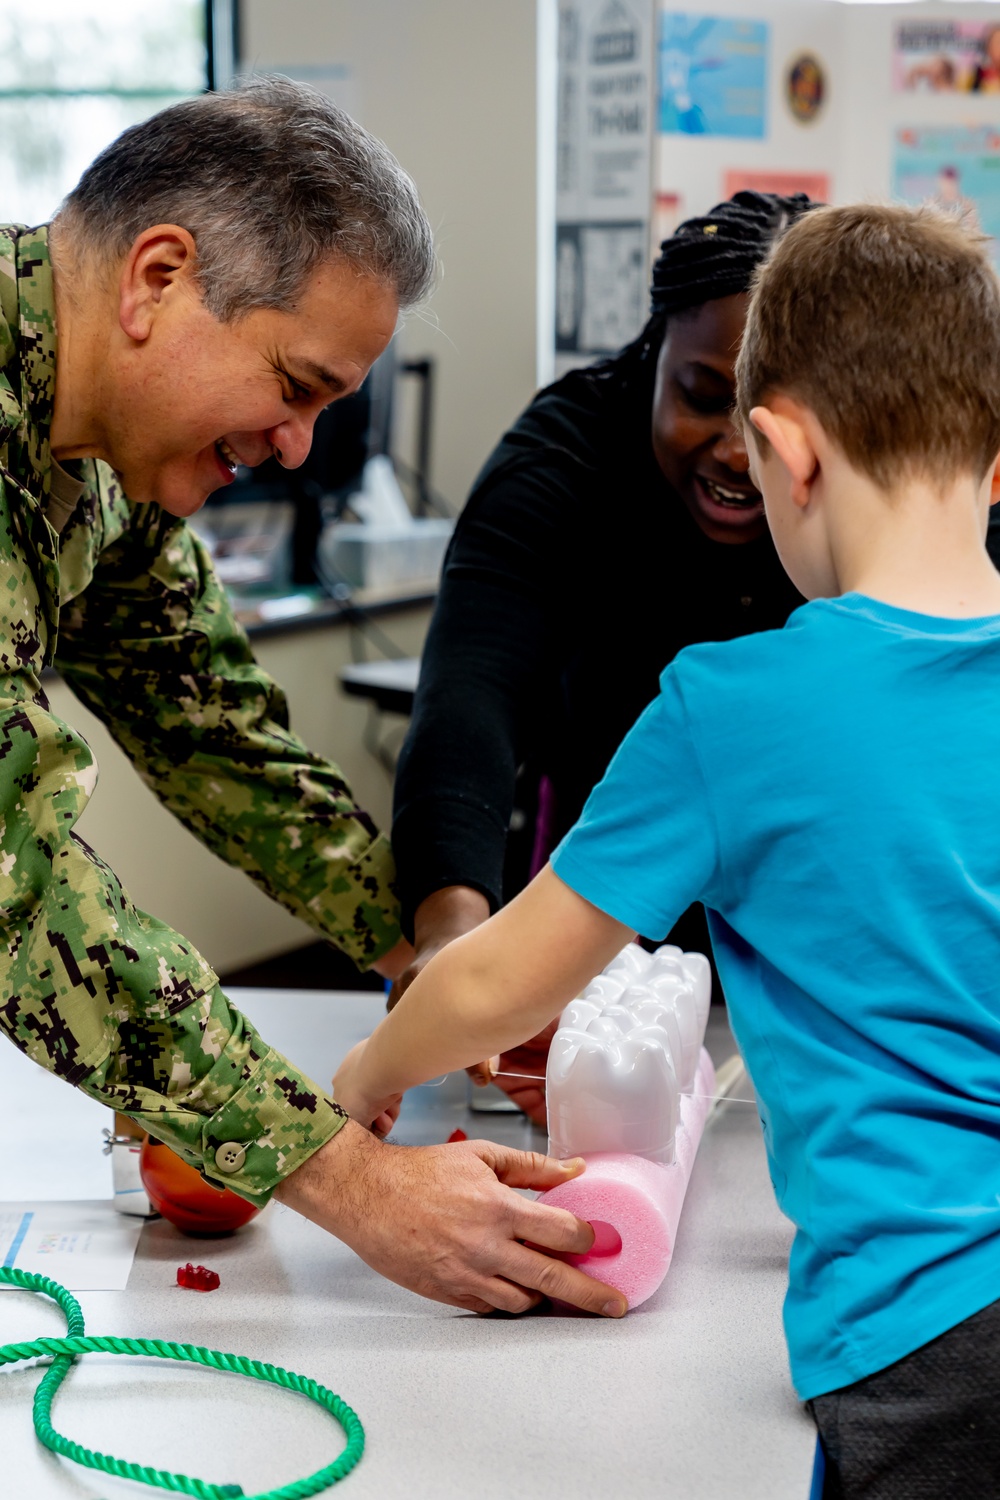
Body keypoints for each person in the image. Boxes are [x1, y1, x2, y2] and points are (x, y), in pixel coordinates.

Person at [334, 202, 1000, 1493]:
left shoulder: (728, 708)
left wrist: (364, 1076)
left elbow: (492, 981)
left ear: (780, 452)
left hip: (932, 1326)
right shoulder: (564, 464)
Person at [0, 77, 623, 1321]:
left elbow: (211, 727)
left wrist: (441, 961)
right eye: (295, 385)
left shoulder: (96, 456)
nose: (298, 446)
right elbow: (16, 883)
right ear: (157, 278)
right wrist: (349, 1179)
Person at [390, 191, 816, 1116]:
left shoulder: (884, 479)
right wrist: (456, 931)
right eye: (704, 397)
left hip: (820, 906)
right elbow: (472, 693)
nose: (740, 456)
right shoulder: (567, 459)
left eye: (778, 425)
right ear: (656, 347)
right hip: (606, 905)